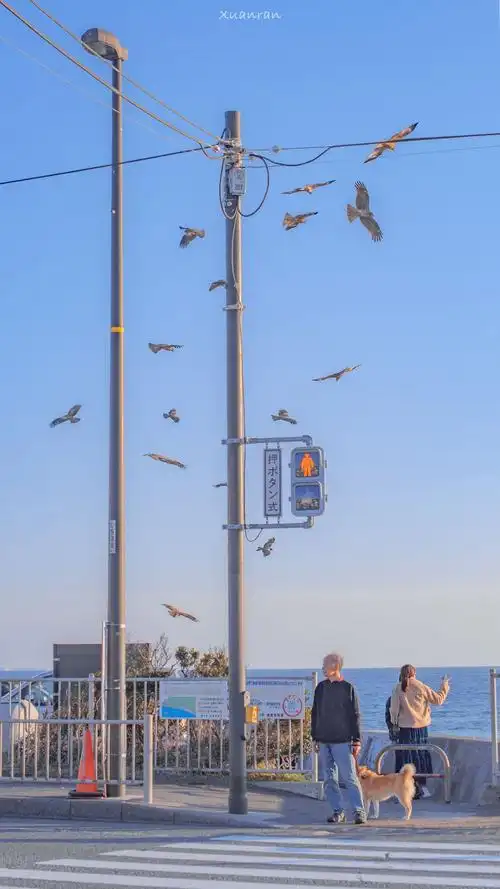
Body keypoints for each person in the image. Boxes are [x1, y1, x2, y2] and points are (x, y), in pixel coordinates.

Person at [311, 651, 366, 824]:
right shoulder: (320, 688)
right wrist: (315, 736)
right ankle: (337, 811)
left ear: (335, 666)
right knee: (329, 779)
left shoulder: (348, 688)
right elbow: (315, 713)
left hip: (343, 741)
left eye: (325, 665)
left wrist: (356, 740)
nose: (323, 669)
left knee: (349, 777)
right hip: (324, 739)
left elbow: (355, 715)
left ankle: (359, 811)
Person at [390, 664, 449, 799]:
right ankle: (421, 786)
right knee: (421, 756)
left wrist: (395, 724)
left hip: (404, 729)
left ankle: (406, 787)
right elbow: (438, 700)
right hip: (421, 728)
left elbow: (394, 710)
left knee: (406, 757)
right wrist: (444, 686)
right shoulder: (420, 686)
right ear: (414, 673)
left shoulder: (398, 688)